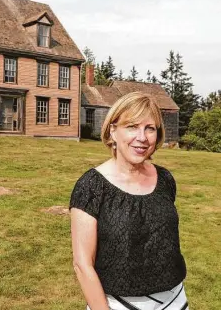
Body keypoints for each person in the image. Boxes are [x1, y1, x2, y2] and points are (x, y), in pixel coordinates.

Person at [70, 92, 188, 310]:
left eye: (150, 128)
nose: (142, 137)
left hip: (175, 300)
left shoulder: (165, 179)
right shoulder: (91, 187)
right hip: (117, 304)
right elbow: (82, 264)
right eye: (132, 126)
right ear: (113, 130)